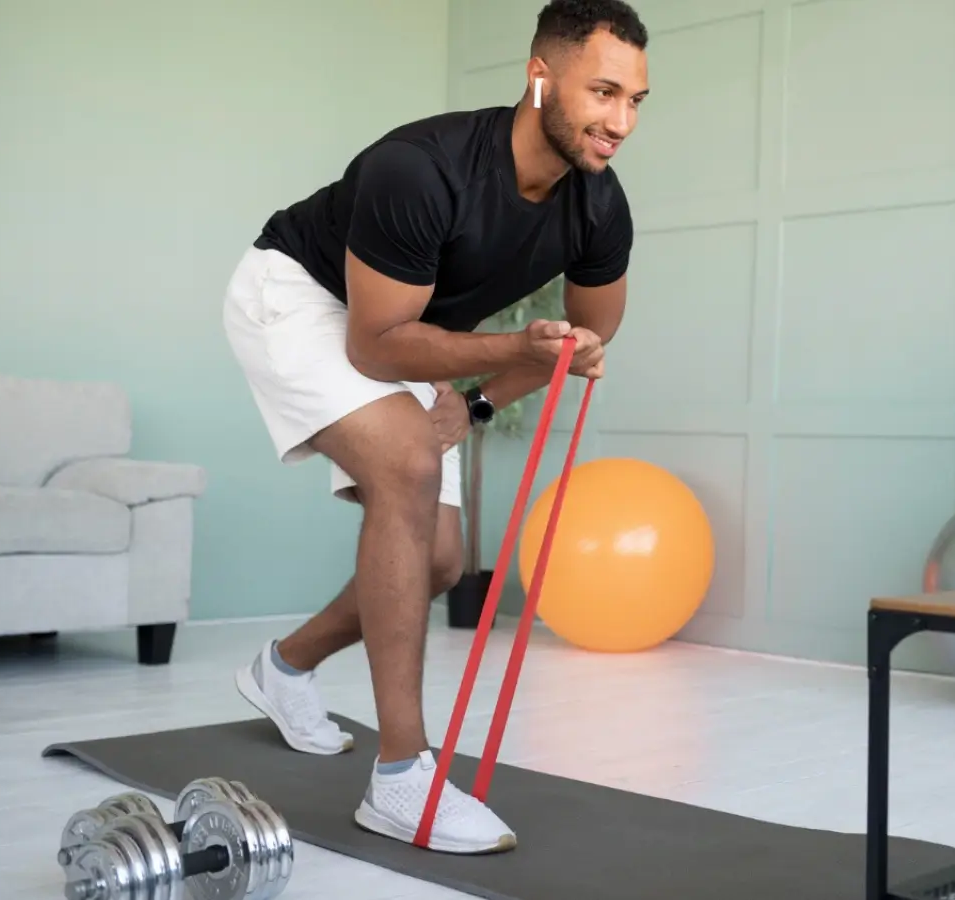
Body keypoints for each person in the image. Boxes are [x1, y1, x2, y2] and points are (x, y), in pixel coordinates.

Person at [218, 0, 649, 854]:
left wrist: (483, 398)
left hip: (409, 333)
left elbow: (579, 340)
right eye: (603, 93)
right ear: (540, 76)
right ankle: (401, 778)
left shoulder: (598, 208)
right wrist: (503, 351)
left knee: (442, 560)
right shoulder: (420, 167)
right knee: (409, 470)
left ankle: (285, 666)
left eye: (636, 100)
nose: (621, 122)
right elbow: (375, 345)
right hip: (305, 297)